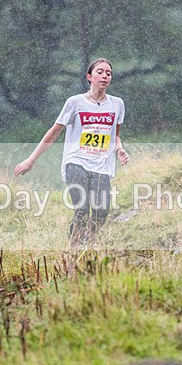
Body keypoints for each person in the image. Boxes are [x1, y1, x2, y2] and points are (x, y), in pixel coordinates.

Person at [13, 58, 129, 246]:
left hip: (102, 164)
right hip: (76, 162)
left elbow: (115, 135)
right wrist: (31, 160)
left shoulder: (117, 104)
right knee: (82, 209)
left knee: (101, 211)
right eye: (100, 72)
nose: (105, 76)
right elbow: (55, 131)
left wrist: (119, 149)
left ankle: (88, 246)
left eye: (109, 73)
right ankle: (73, 249)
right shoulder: (75, 102)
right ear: (89, 77)